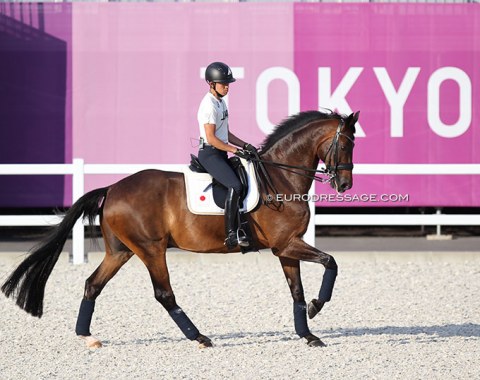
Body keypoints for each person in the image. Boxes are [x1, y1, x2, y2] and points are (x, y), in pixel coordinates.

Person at [197, 62, 256, 250]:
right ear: (211, 84)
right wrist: (235, 150)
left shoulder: (220, 102)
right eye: (223, 83)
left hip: (221, 151)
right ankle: (231, 233)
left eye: (228, 83)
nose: (227, 86)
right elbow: (212, 138)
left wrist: (245, 145)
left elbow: (226, 133)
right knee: (235, 185)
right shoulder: (208, 105)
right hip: (210, 153)